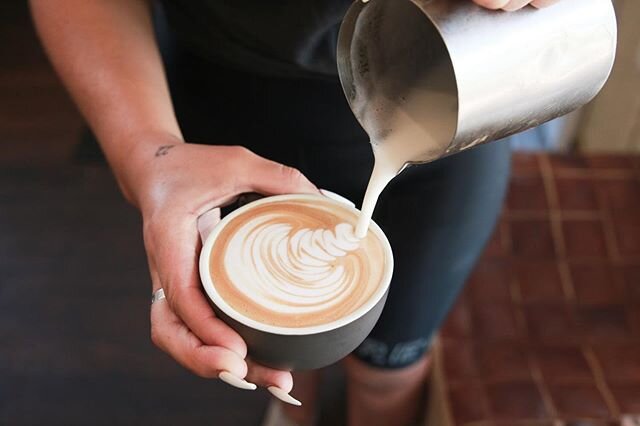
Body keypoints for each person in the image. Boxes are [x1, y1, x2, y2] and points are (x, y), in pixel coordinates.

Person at [30, 0, 560, 425]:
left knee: (389, 373)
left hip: (453, 100)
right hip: (228, 98)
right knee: (275, 358)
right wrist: (148, 154)